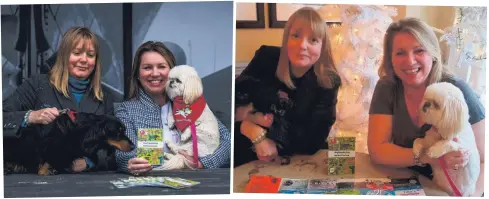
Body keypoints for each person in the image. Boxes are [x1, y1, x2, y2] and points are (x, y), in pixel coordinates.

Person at [368, 18, 485, 196]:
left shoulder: (457, 90)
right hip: (407, 183)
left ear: (433, 53)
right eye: (400, 53)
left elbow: (485, 159)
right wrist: (430, 158)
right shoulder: (387, 87)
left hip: (457, 189)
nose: (410, 61)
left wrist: (473, 194)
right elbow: (378, 150)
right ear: (390, 58)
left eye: (419, 51)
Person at [234, 7, 341, 167]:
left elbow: (313, 140)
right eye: (296, 35)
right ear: (286, 39)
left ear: (322, 47)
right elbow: (233, 105)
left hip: (295, 160)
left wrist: (257, 126)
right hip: (245, 155)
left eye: (313, 40)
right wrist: (249, 129)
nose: (302, 45)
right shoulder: (266, 58)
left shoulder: (328, 81)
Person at [3, 26, 115, 172]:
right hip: (36, 179)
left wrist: (89, 162)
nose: (84, 60)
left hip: (87, 183)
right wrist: (30, 116)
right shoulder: (37, 84)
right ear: (63, 55)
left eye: (90, 55)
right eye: (76, 53)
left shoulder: (105, 97)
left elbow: (112, 146)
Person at [115, 41, 231, 175]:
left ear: (172, 72)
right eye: (147, 67)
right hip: (151, 184)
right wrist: (131, 163)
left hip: (197, 183)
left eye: (161, 66)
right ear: (137, 74)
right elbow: (123, 154)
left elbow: (226, 140)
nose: (155, 73)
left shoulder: (193, 103)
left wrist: (203, 163)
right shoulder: (127, 110)